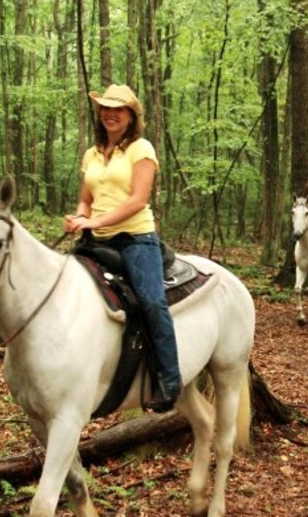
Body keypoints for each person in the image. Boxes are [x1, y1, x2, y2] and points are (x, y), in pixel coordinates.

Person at [63, 84, 182, 413]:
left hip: (135, 238)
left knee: (151, 301)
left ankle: (170, 379)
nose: (110, 114)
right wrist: (79, 217)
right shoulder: (92, 153)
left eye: (118, 109)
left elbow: (137, 200)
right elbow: (87, 200)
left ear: (131, 116)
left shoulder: (141, 149)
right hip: (96, 240)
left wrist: (95, 223)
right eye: (105, 108)